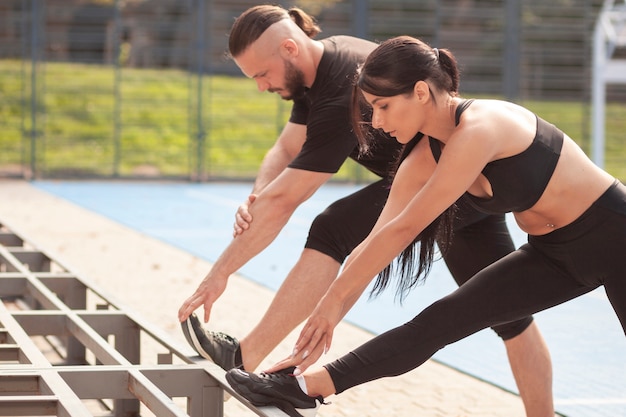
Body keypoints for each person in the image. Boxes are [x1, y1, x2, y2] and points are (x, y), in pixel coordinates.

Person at [177, 6, 554, 415]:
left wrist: (218, 276)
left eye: (261, 75)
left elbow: (288, 199)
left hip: (450, 181)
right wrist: (256, 198)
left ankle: (244, 358)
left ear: (289, 48)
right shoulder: (314, 74)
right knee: (510, 315)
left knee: (332, 227)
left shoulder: (343, 86)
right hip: (456, 186)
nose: (261, 87)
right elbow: (286, 149)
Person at [224, 35, 626, 417]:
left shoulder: (482, 127)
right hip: (553, 255)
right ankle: (305, 387)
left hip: (616, 238)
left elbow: (405, 230)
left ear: (419, 92)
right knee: (439, 321)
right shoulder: (421, 158)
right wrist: (326, 315)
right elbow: (378, 240)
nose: (376, 122)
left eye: (382, 106)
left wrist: (330, 307)